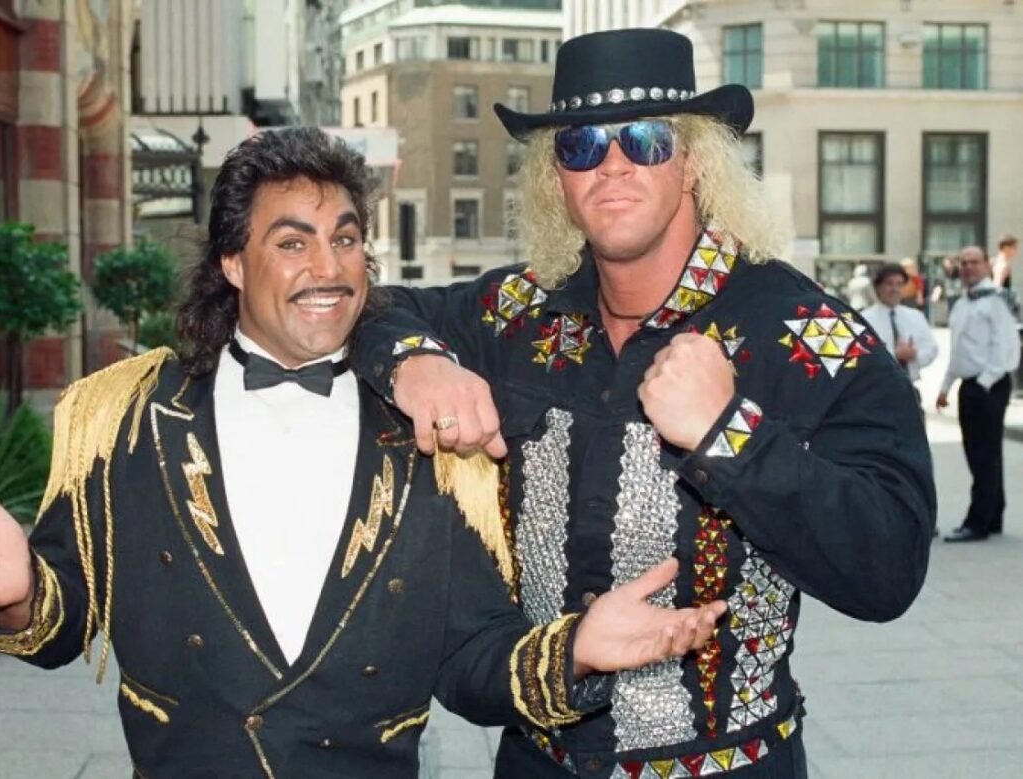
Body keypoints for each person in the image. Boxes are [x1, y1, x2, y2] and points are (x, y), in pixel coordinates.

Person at [0, 127, 724, 778]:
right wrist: (13, 591)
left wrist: (573, 645)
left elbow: (472, 655)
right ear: (232, 260)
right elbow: (59, 619)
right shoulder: (121, 414)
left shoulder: (435, 437)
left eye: (345, 238)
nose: (327, 269)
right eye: (291, 243)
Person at [350, 28, 935, 778]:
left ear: (693, 159)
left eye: (646, 140)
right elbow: (366, 307)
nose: (613, 166)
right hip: (537, 761)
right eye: (583, 145)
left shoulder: (802, 333)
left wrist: (730, 437)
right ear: (555, 177)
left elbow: (889, 567)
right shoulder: (517, 313)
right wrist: (418, 361)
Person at [936, 244, 1021, 543]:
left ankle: (977, 522)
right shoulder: (962, 303)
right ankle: (994, 514)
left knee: (982, 456)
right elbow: (958, 352)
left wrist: (984, 384)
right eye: (964, 263)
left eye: (975, 262)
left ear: (987, 265)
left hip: (988, 385)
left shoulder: (994, 301)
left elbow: (1006, 346)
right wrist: (946, 386)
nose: (969, 267)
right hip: (969, 384)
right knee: (983, 454)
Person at [862, 262, 939, 394]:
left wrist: (914, 355)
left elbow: (932, 349)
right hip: (876, 391)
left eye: (899, 284)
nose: (895, 289)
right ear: (878, 287)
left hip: (909, 388)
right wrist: (894, 355)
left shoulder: (915, 316)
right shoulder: (865, 319)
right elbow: (862, 357)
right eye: (889, 284)